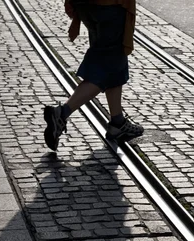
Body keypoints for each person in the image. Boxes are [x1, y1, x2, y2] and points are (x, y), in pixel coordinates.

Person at [43, 0, 144, 151]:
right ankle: (61, 113)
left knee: (113, 62)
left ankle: (117, 123)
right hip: (110, 5)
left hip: (87, 5)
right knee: (106, 65)